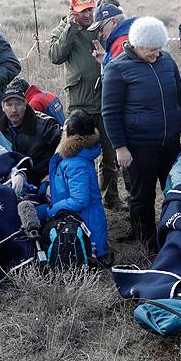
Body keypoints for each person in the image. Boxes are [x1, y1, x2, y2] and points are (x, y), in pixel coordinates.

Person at [101, 17, 181, 249]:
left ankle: (175, 234)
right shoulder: (117, 68)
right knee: (143, 195)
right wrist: (120, 147)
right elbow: (110, 112)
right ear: (136, 45)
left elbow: (180, 92)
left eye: (159, 48)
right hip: (139, 145)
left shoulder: (167, 60)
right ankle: (146, 240)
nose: (156, 53)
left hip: (170, 141)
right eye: (151, 50)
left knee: (174, 189)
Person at [49, 0, 123, 210]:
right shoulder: (62, 30)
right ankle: (78, 196)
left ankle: (110, 197)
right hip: (80, 104)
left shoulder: (99, 28)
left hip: (105, 101)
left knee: (110, 154)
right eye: (83, 11)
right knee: (77, 154)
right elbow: (55, 56)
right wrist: (70, 29)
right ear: (72, 10)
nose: (88, 14)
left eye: (90, 9)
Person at [40, 110, 111, 262]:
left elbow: (79, 200)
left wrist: (53, 209)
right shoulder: (76, 155)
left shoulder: (76, 164)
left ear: (69, 133)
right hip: (76, 218)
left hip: (85, 230)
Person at [0, 86, 62, 185]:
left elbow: (68, 144)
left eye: (18, 104)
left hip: (43, 182)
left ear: (25, 105)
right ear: (2, 107)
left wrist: (55, 174)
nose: (14, 110)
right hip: (14, 182)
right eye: (9, 105)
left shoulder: (45, 125)